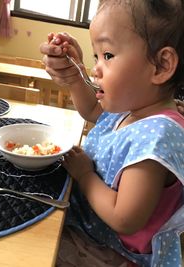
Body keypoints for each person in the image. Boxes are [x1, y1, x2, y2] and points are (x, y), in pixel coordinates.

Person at [40, 1, 184, 266]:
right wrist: (74, 75)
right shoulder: (134, 107)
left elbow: (124, 218)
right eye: (96, 57)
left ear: (161, 66)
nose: (96, 67)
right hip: (91, 228)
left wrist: (84, 175)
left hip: (114, 253)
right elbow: (94, 110)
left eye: (107, 55)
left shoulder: (158, 135)